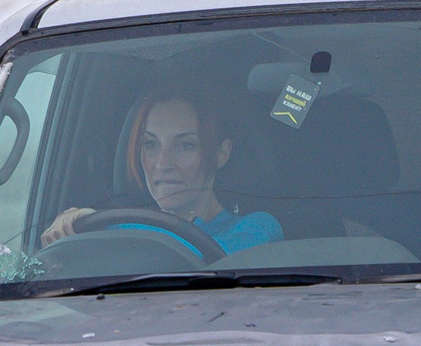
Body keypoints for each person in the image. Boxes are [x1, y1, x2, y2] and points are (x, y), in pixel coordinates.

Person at [40, 83, 281, 254]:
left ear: (221, 153)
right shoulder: (114, 230)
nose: (163, 164)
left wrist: (100, 228)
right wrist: (70, 228)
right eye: (151, 144)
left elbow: (199, 261)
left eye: (186, 145)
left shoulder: (258, 228)